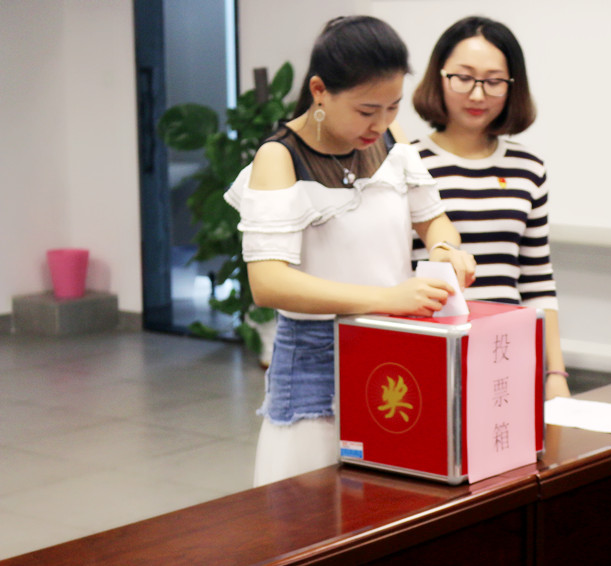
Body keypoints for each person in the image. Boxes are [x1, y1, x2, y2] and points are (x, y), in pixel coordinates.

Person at [224, 16, 476, 486]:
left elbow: (433, 220)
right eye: (366, 110)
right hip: (317, 362)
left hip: (394, 349)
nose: (380, 123)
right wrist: (386, 298)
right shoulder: (279, 158)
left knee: (394, 497)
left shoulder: (392, 140)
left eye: (393, 107)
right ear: (319, 90)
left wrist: (445, 248)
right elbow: (268, 283)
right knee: (311, 509)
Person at [411, 16, 570, 399]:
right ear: (439, 77)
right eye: (463, 78)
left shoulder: (528, 168)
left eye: (494, 81)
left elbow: (537, 279)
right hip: (431, 350)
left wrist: (555, 373)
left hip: (508, 354)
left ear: (513, 86)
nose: (478, 94)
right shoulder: (409, 163)